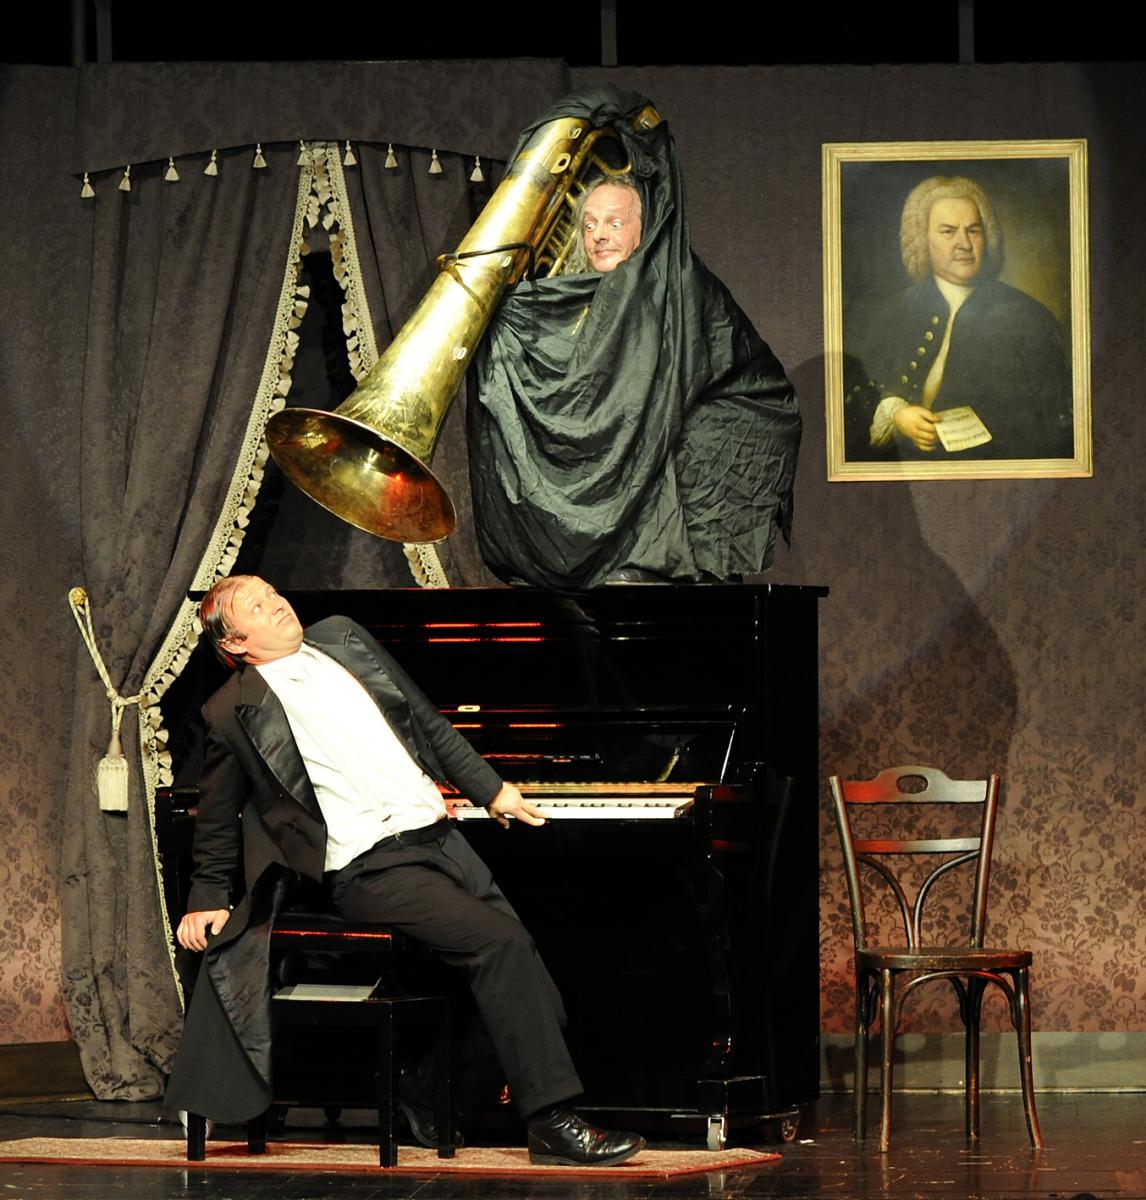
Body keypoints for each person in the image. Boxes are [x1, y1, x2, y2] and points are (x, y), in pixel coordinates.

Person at [164, 574, 644, 1167]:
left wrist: (492, 789)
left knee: (536, 988)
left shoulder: (342, 636)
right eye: (256, 606)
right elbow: (217, 819)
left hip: (440, 840)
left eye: (272, 592)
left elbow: (426, 720)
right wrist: (207, 897)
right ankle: (551, 1124)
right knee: (503, 945)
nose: (277, 603)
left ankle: (427, 1088)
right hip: (368, 863)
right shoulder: (230, 711)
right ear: (235, 642)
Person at [468, 86, 801, 589]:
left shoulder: (682, 287)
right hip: (612, 492)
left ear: (644, 230)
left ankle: (655, 557)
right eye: (590, 225)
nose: (599, 235)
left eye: (615, 222)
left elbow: (739, 380)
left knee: (672, 427)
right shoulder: (571, 297)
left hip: (686, 482)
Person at [846, 174, 1073, 461]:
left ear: (987, 237)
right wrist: (897, 414)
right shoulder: (896, 311)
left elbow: (1052, 425)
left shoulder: (1030, 317)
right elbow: (857, 397)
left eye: (973, 230)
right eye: (948, 231)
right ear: (923, 240)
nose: (964, 243)